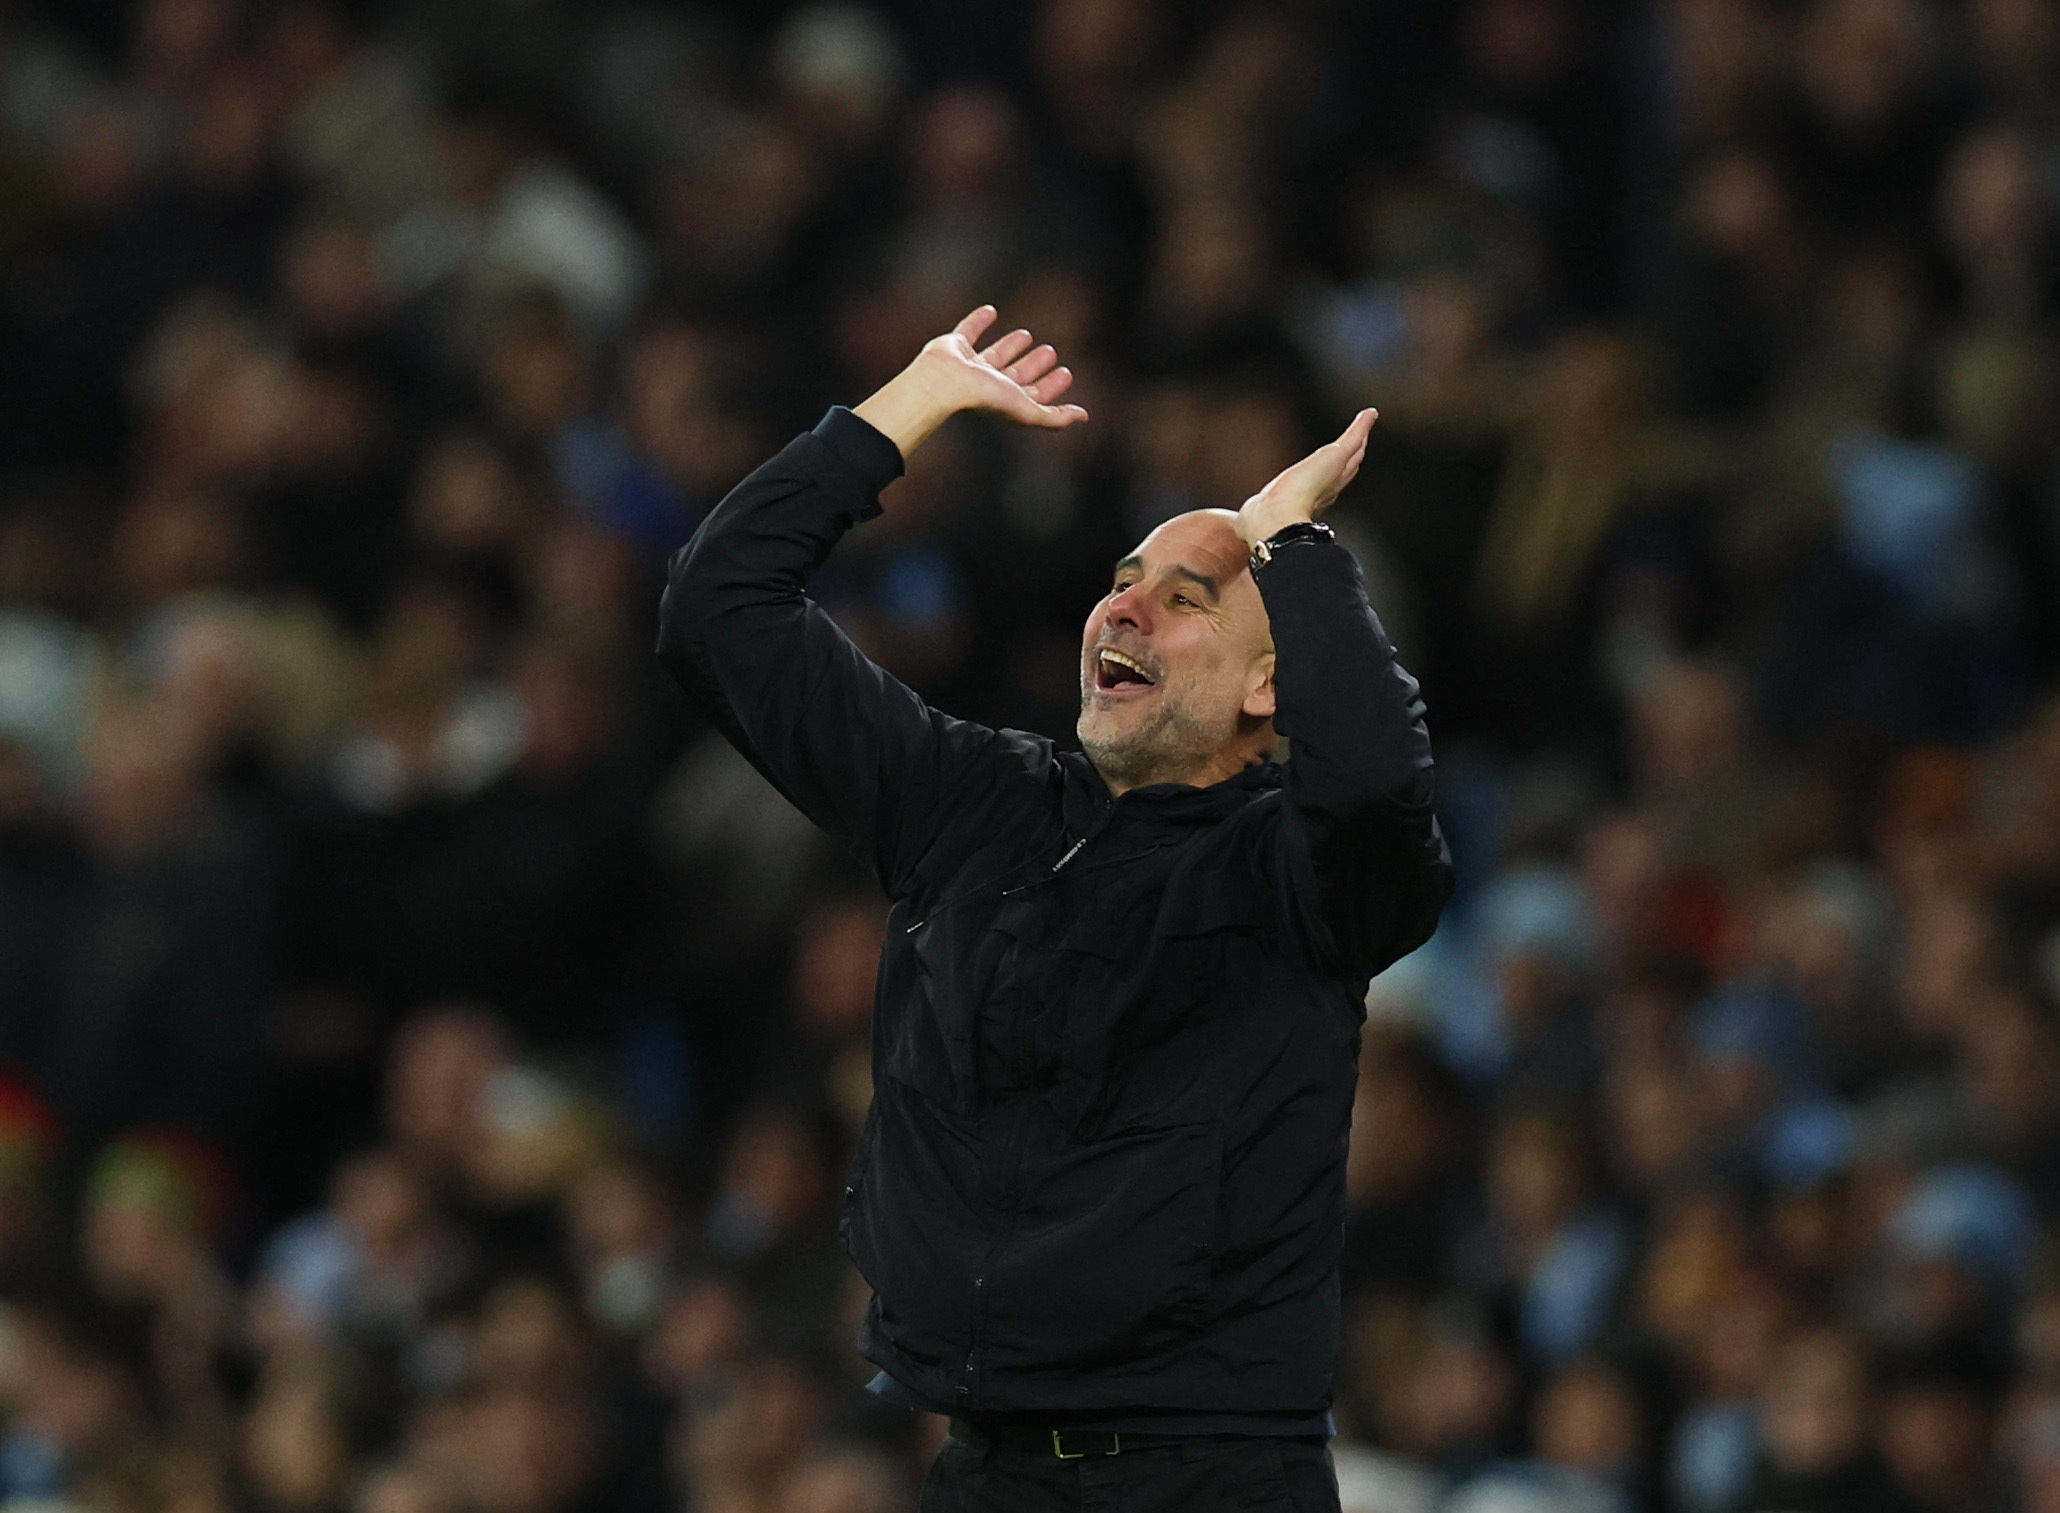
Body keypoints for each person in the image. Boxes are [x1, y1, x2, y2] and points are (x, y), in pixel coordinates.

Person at [657, 306, 1453, 1511]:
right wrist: (908, 407)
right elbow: (719, 607)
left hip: (1210, 1483)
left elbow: (1380, 784)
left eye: (1185, 599)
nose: (1122, 610)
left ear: (1267, 681)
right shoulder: (969, 802)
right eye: (1120, 582)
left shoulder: (1301, 874)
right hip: (984, 1475)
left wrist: (1291, 542)